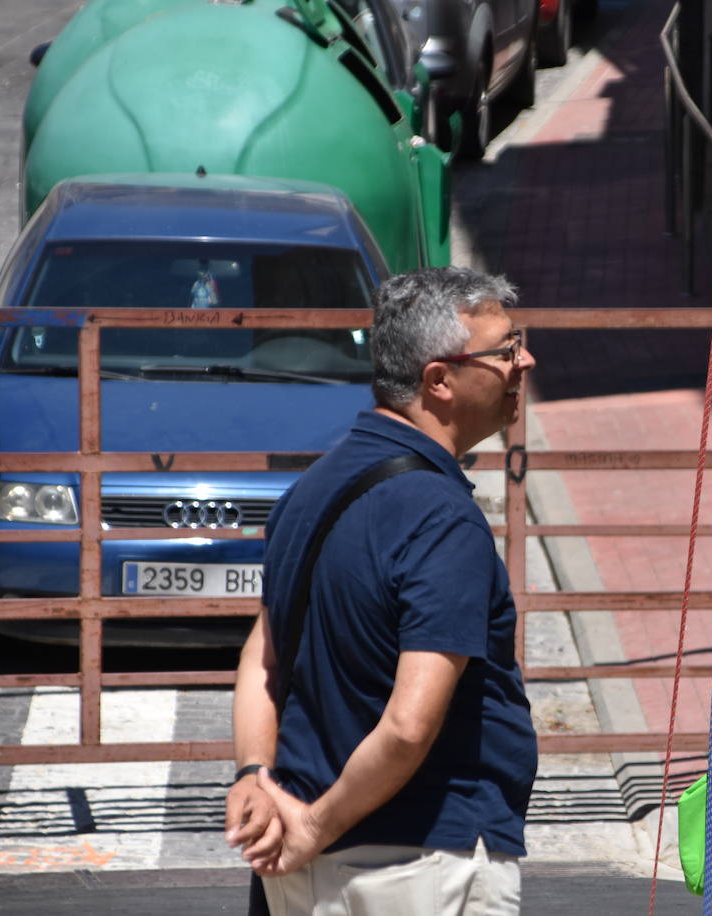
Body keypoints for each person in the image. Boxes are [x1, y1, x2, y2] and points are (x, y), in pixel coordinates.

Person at [223, 266, 539, 916]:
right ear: (439, 381)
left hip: (303, 862)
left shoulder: (307, 492)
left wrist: (254, 776)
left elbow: (263, 656)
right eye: (505, 350)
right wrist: (314, 824)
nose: (524, 362)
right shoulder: (440, 516)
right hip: (421, 863)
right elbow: (408, 725)